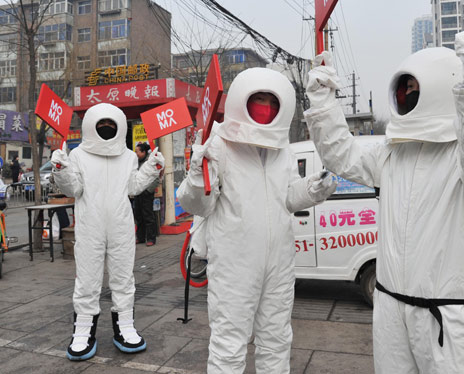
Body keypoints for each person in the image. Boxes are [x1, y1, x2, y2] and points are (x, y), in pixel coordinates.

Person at [304, 6, 464, 373]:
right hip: (391, 306)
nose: (407, 94)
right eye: (403, 87)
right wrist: (321, 103)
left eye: (414, 87)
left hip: (447, 313)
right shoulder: (391, 155)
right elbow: (340, 154)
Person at [177, 67, 338, 373]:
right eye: (258, 98)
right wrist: (198, 174)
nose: (265, 106)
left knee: (277, 341)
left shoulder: (282, 150)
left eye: (271, 101)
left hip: (279, 263)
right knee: (228, 346)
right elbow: (197, 204)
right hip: (234, 265)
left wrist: (312, 190)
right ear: (241, 100)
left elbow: (288, 198)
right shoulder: (219, 144)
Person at [51, 103, 164, 361]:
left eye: (111, 125)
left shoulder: (128, 156)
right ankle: (82, 331)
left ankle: (125, 326)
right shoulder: (78, 154)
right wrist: (62, 170)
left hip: (121, 226)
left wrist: (152, 167)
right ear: (91, 126)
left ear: (119, 127)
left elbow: (133, 187)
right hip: (90, 226)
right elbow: (74, 189)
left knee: (123, 278)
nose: (106, 129)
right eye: (102, 125)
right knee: (88, 280)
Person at [134, 142, 159, 246]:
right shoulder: (136, 163)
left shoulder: (150, 163)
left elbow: (155, 178)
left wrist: (148, 190)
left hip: (146, 193)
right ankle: (140, 237)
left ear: (143, 152)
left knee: (148, 216)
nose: (135, 153)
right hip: (137, 192)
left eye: (137, 151)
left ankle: (151, 238)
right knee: (138, 215)